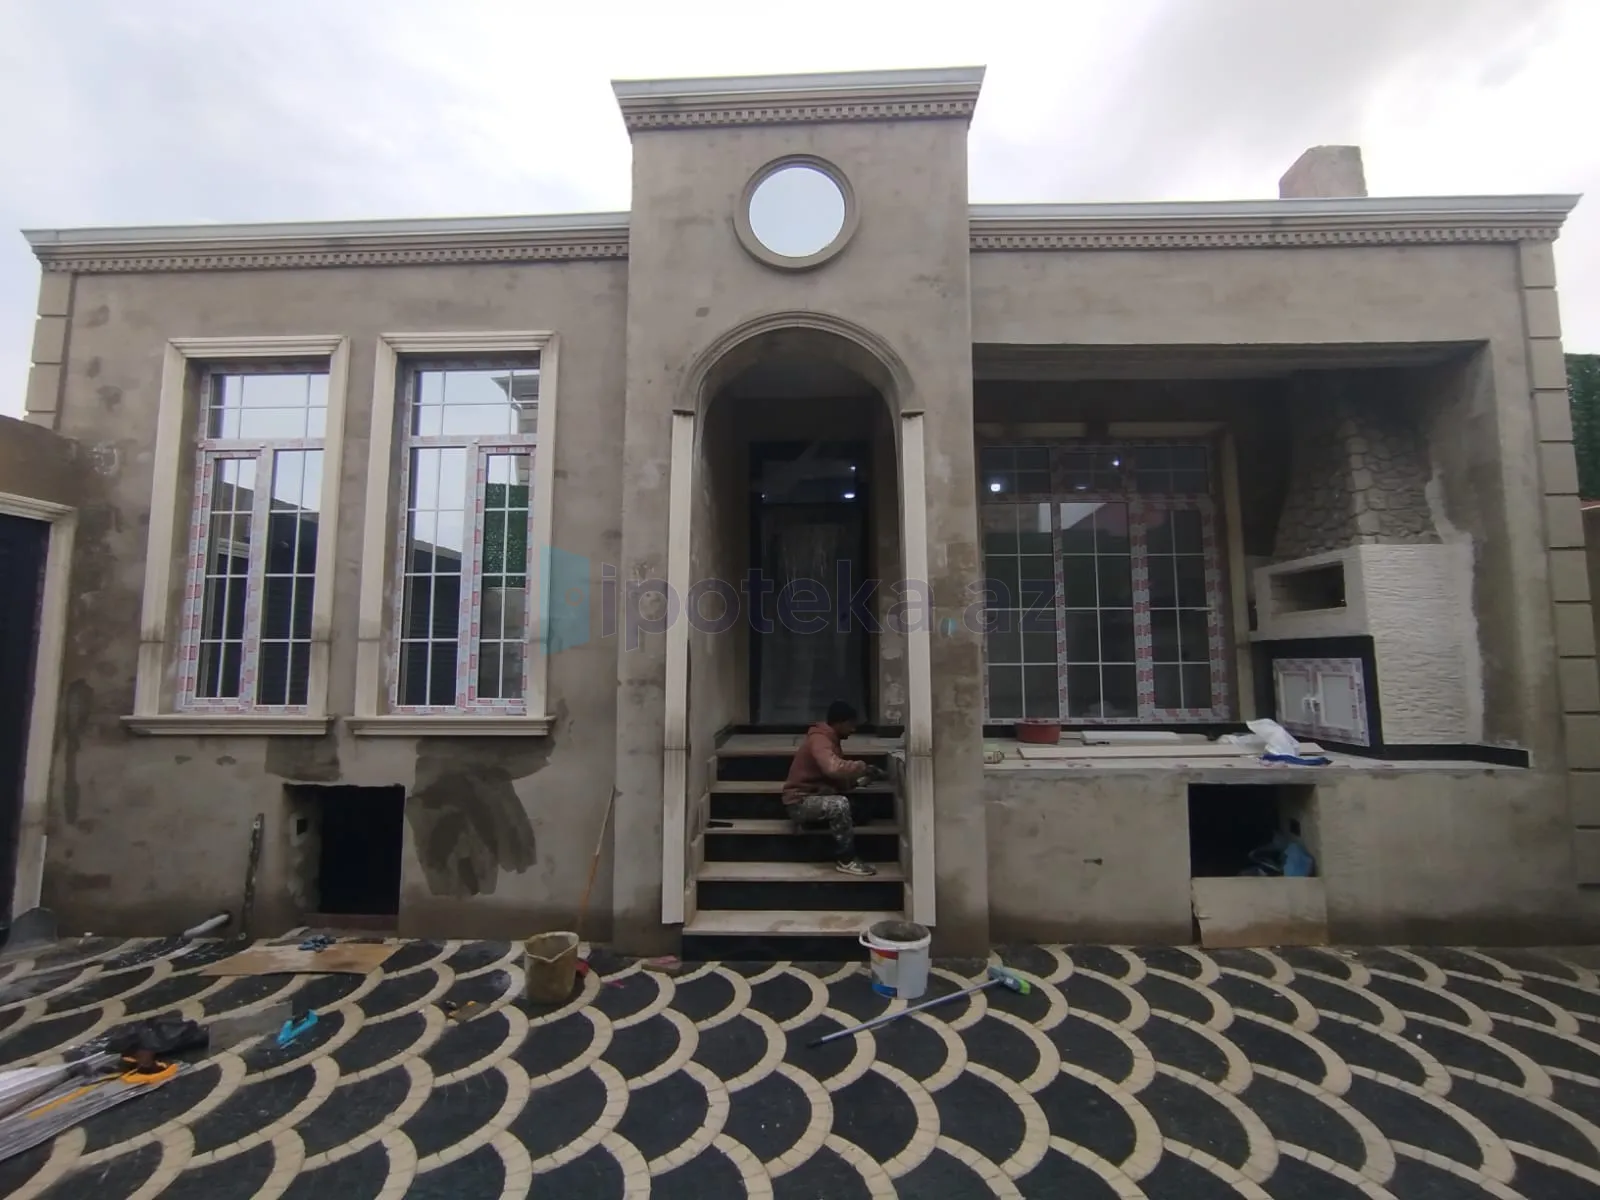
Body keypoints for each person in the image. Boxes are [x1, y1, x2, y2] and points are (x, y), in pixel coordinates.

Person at [782, 700, 882, 876]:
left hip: (817, 795)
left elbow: (834, 780)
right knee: (840, 805)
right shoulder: (820, 739)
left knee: (862, 808)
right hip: (800, 802)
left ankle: (812, 825)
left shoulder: (831, 740)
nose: (853, 730)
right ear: (839, 723)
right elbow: (833, 768)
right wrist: (861, 767)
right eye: (851, 725)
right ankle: (847, 860)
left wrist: (860, 780)